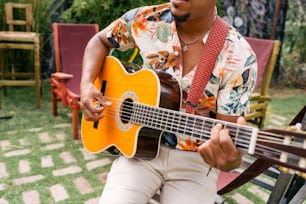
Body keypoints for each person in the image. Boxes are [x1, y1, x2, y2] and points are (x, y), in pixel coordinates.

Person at [80, 0, 257, 203]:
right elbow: (99, 41)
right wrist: (86, 84)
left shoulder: (239, 56)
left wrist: (230, 160)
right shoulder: (146, 20)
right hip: (140, 151)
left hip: (195, 162)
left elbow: (226, 137)